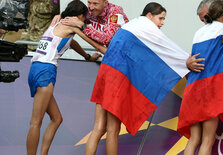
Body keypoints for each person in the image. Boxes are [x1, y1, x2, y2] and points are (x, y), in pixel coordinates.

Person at [86, 2, 192, 155]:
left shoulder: (133, 24)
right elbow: (168, 47)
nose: (162, 23)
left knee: (97, 128)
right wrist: (187, 61)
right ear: (149, 16)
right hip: (116, 79)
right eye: (160, 18)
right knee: (112, 130)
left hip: (105, 75)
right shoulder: (146, 27)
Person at [26, 1, 106, 155]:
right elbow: (94, 43)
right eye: (84, 18)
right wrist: (108, 52)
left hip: (35, 68)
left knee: (57, 119)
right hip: (46, 70)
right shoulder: (72, 26)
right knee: (35, 122)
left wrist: (87, 56)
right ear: (80, 16)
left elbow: (71, 42)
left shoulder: (57, 21)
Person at [177, 1, 223, 155]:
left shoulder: (199, 32)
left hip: (193, 89)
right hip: (210, 90)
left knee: (193, 140)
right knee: (207, 141)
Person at [54, 0, 129, 47]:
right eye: (89, 2)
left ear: (105, 3)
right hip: (111, 52)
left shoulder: (115, 13)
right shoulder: (91, 11)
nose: (91, 7)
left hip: (127, 51)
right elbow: (77, 17)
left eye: (95, 4)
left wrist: (83, 26)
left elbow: (106, 39)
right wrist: (62, 15)